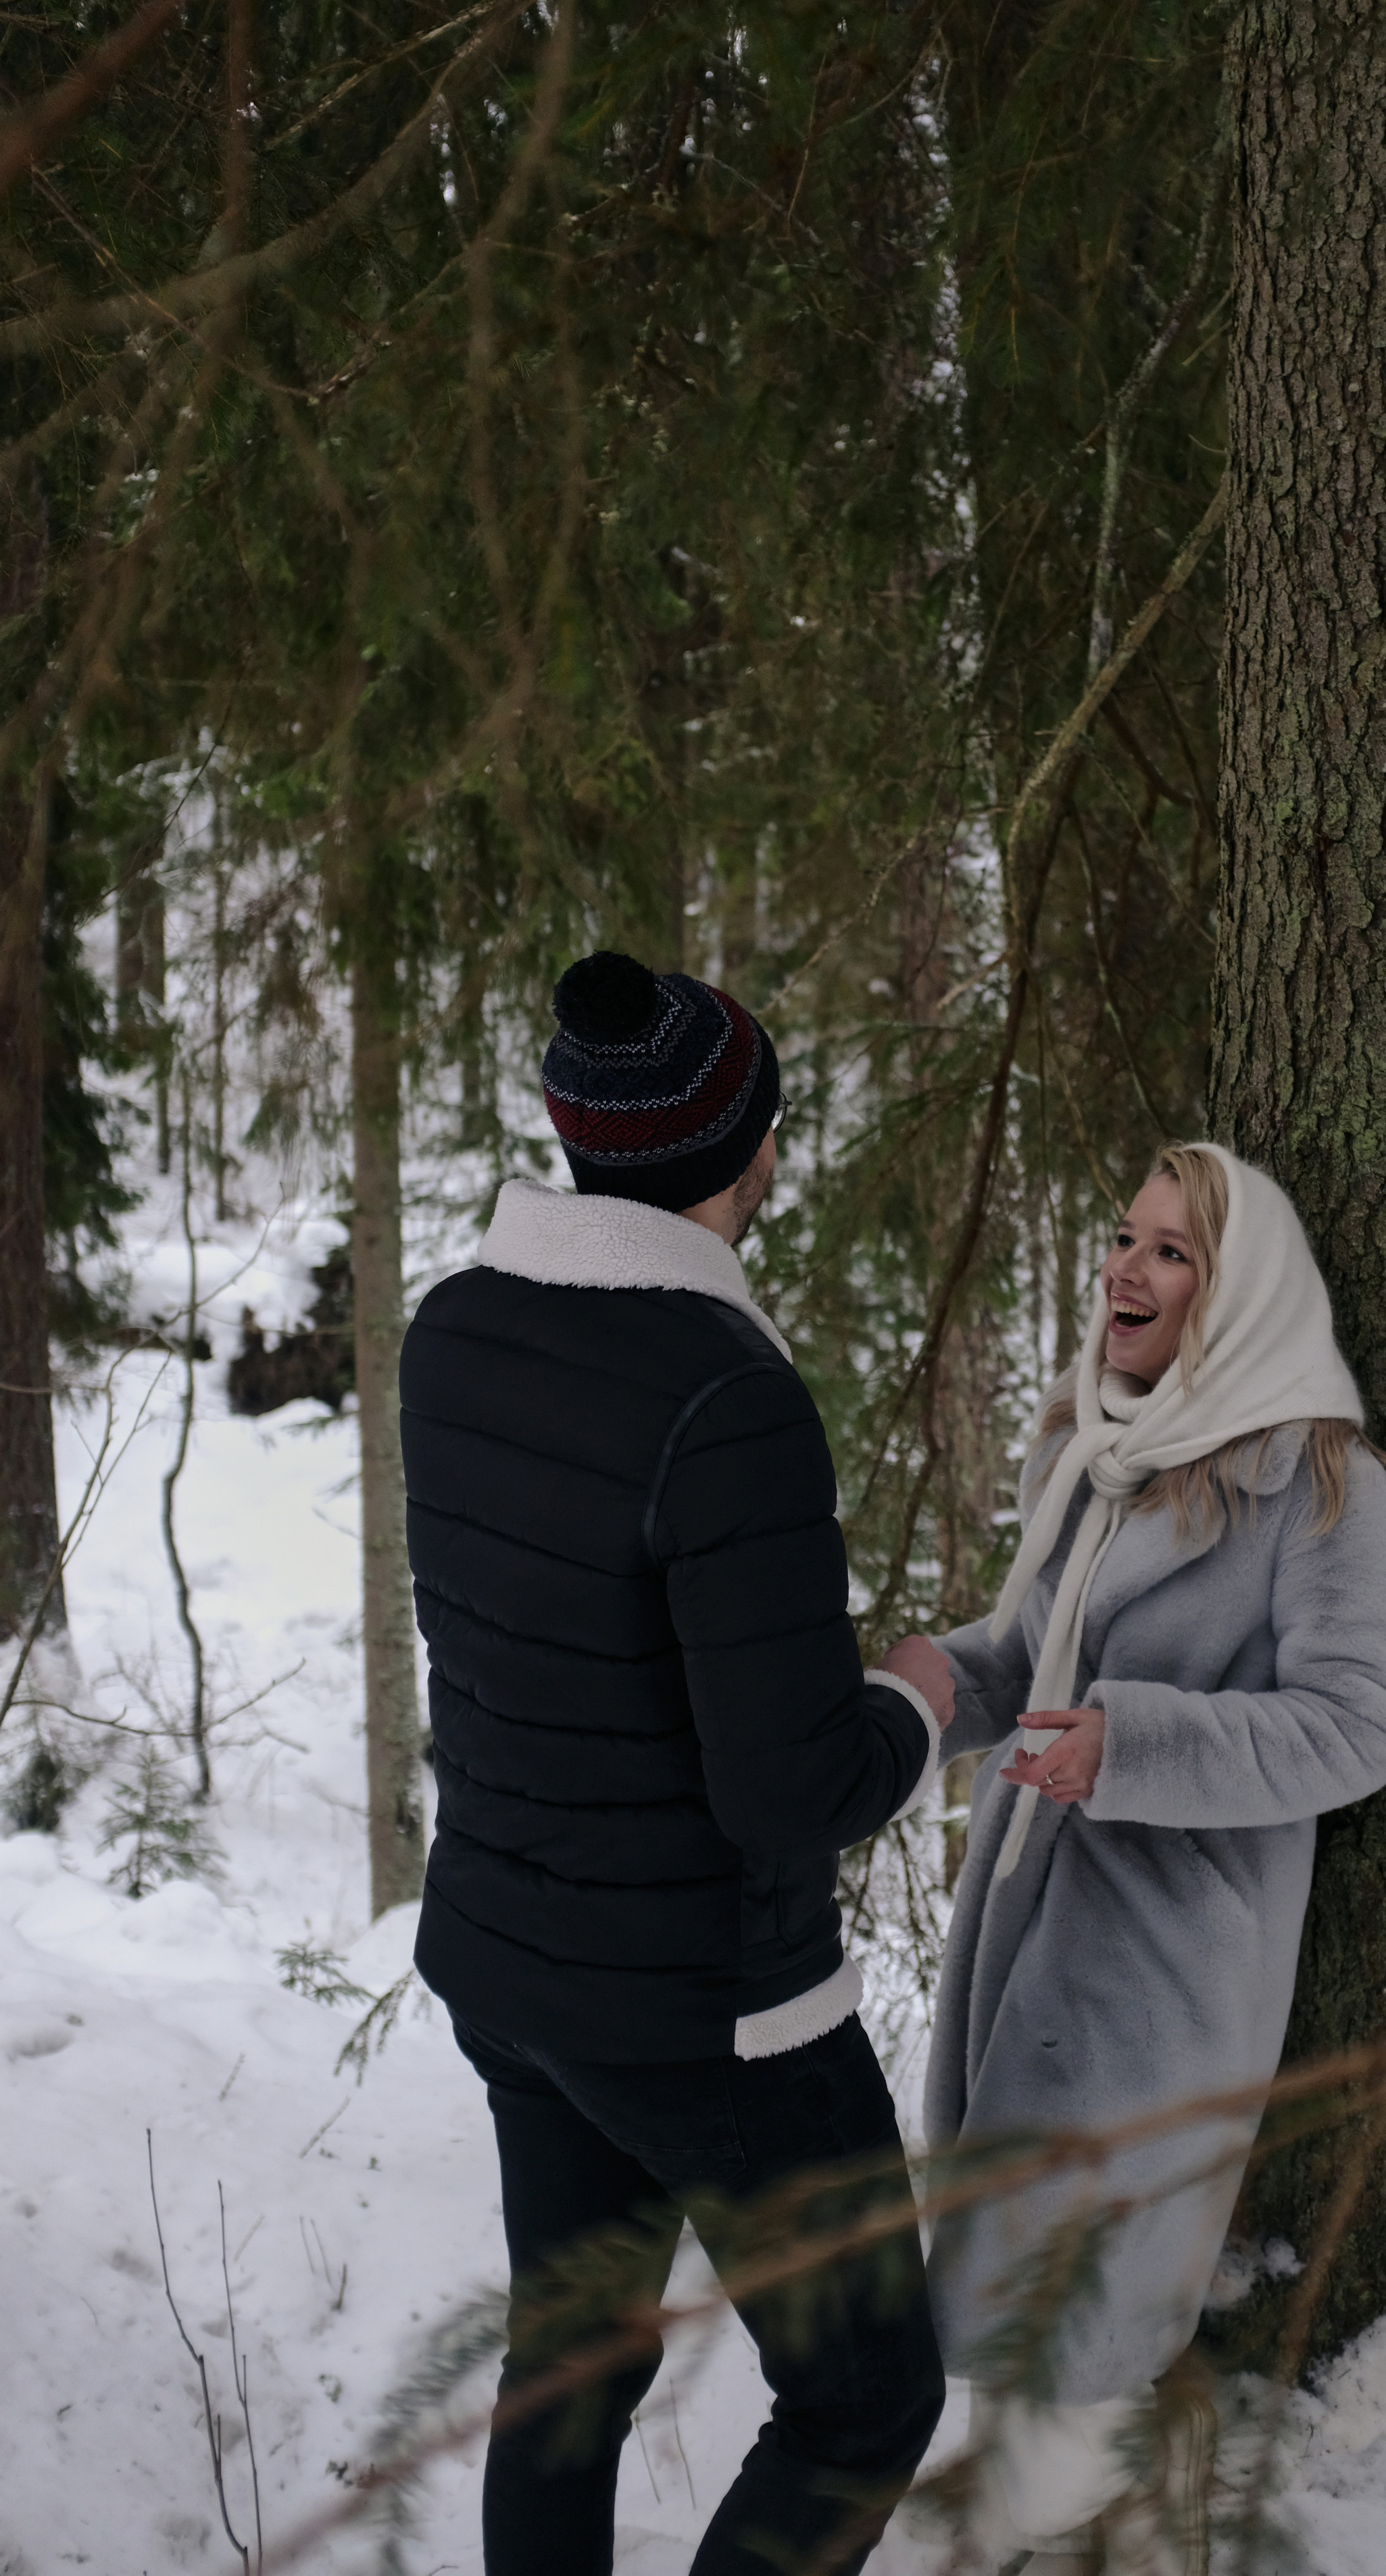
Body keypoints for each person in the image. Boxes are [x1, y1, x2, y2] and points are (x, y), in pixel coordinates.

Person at [399, 948, 953, 2576]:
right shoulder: (726, 1396)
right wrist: (914, 1698)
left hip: (509, 1967)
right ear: (743, 1149)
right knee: (864, 2402)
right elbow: (788, 1789)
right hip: (709, 2009)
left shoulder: (457, 1331)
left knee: (568, 2366)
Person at [902, 1141, 1386, 2573]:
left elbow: (1357, 1725)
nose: (1124, 1271)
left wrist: (1133, 1748)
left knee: (1076, 2347)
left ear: (1240, 1290)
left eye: (1171, 1252)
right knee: (1017, 2348)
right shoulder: (1096, 1445)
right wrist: (925, 1689)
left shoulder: (1315, 1483)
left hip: (1165, 1972)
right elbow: (1029, 1658)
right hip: (1024, 1942)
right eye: (1123, 1237)